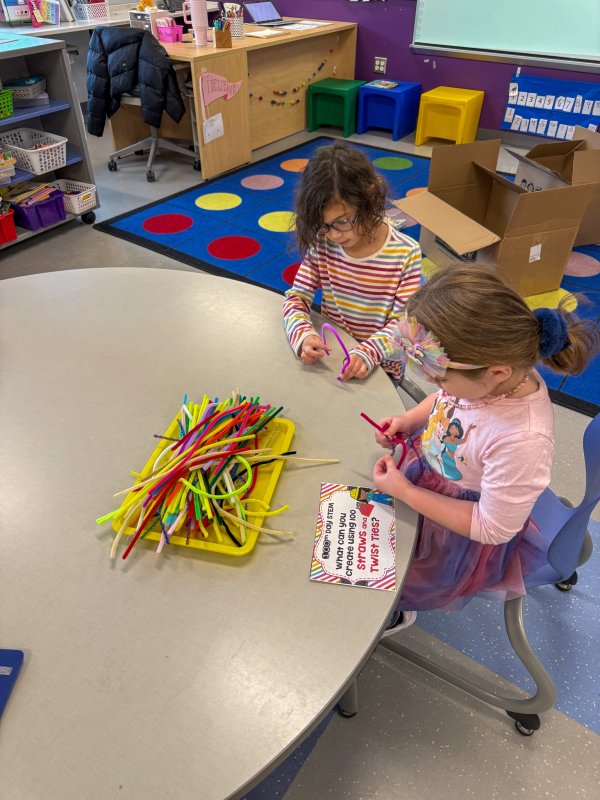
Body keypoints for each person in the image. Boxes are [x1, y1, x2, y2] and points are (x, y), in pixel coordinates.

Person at [370, 265, 600, 633]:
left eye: (440, 376)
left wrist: (405, 492)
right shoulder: (489, 378)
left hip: (458, 533)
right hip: (429, 477)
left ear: (497, 372)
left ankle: (398, 610)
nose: (434, 383)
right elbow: (448, 400)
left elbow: (491, 528)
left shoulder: (522, 440)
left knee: (389, 576)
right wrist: (411, 419)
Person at [283, 142, 422, 381]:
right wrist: (304, 335)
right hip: (332, 359)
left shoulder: (406, 253)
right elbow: (296, 299)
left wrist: (369, 352)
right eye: (324, 225)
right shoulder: (322, 243)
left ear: (368, 198)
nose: (334, 235)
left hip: (381, 369)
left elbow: (404, 327)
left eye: (342, 221)